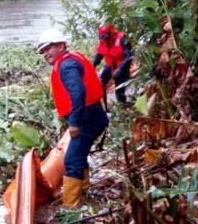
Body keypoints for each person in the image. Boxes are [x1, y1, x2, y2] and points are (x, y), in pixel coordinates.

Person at [37, 28, 109, 207]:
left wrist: (74, 122)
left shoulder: (67, 65)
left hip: (87, 118)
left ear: (62, 45)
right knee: (78, 155)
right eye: (43, 51)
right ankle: (83, 193)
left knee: (72, 160)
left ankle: (71, 208)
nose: (45, 53)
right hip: (93, 115)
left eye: (49, 48)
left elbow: (78, 93)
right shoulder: (69, 60)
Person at [93, 23, 132, 104]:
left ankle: (122, 104)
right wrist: (92, 66)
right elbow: (99, 55)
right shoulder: (104, 41)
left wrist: (120, 69)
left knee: (119, 88)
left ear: (112, 33)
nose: (105, 40)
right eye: (103, 38)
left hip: (122, 65)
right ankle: (105, 106)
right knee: (101, 82)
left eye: (106, 37)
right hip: (110, 64)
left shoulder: (122, 38)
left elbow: (128, 56)